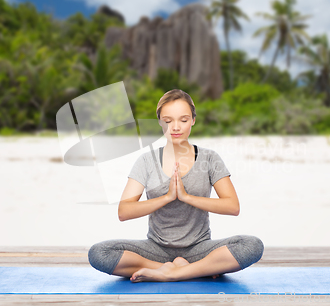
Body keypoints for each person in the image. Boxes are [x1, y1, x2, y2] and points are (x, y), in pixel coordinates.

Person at [88, 89, 264, 282]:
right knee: (99, 253)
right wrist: (167, 197)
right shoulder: (147, 160)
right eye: (168, 121)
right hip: (155, 249)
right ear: (160, 123)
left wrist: (187, 197)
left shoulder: (209, 158)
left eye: (183, 119)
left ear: (193, 120)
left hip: (199, 249)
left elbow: (232, 206)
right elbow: (124, 211)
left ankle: (172, 273)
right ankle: (184, 270)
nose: (175, 127)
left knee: (251, 246)